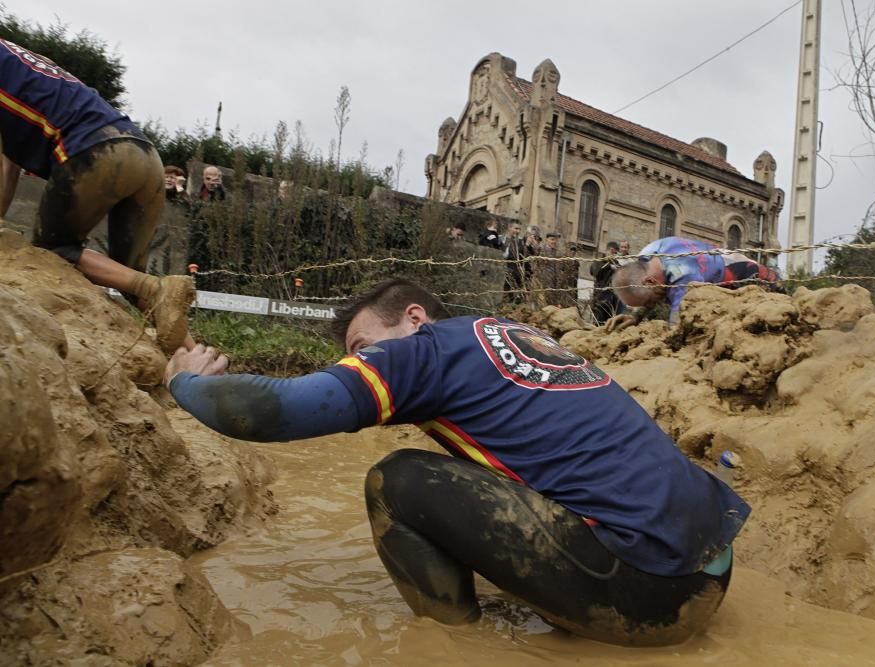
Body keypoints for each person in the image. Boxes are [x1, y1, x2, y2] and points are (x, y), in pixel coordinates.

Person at [164, 278, 749, 646]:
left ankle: (456, 646)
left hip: (650, 597)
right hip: (712, 574)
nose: (361, 366)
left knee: (398, 482)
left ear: (415, 319)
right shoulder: (498, 335)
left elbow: (262, 413)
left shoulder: (424, 352)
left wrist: (184, 382)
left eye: (363, 350)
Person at [0, 38, 194, 351]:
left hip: (93, 151)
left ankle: (155, 287)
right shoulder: (20, 60)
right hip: (144, 154)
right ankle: (201, 365)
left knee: (53, 249)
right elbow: (8, 164)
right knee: (129, 278)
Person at [609, 236, 781, 330]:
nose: (653, 304)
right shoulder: (648, 253)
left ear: (650, 281)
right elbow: (646, 288)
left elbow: (676, 324)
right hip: (721, 262)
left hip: (749, 275)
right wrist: (635, 316)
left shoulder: (682, 276)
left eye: (648, 302)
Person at [590, 241, 622, 325]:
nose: (613, 255)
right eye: (612, 252)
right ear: (608, 250)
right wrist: (609, 266)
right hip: (600, 297)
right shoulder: (598, 262)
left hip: (613, 298)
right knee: (598, 323)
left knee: (609, 322)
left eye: (615, 253)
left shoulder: (616, 263)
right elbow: (596, 273)